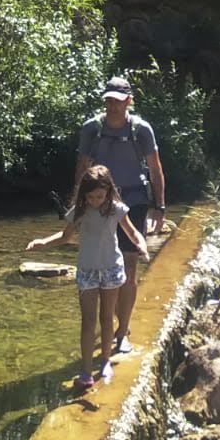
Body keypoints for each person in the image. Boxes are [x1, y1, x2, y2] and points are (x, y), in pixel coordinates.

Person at [26, 164, 148, 392]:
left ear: (108, 192)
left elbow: (132, 232)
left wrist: (141, 245)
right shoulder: (79, 211)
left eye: (99, 196)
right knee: (88, 321)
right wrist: (42, 243)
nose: (95, 201)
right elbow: (65, 236)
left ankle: (104, 362)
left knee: (106, 318)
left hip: (111, 269)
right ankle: (85, 369)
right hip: (87, 271)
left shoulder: (116, 209)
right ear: (84, 194)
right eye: (90, 196)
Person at [72, 75, 166, 356]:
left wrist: (159, 207)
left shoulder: (141, 129)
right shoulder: (92, 129)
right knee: (99, 264)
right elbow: (82, 167)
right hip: (97, 203)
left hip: (133, 202)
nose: (113, 105)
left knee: (128, 268)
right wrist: (76, 205)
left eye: (118, 100)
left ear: (128, 101)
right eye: (109, 100)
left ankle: (122, 331)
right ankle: (106, 327)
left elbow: (155, 167)